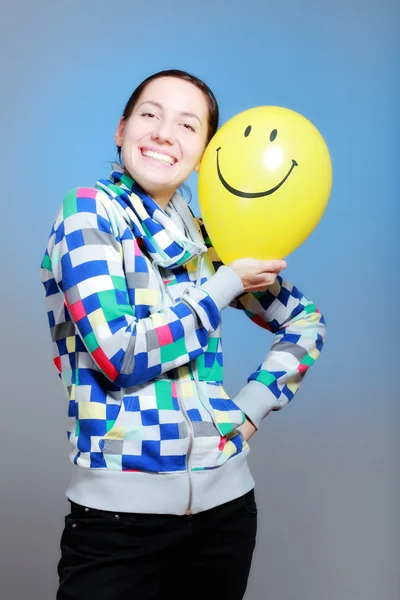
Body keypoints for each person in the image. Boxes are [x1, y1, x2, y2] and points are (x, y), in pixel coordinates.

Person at [41, 69, 326, 600]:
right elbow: (119, 353)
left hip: (226, 515)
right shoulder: (86, 212)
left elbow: (304, 323)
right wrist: (222, 287)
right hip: (118, 525)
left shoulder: (210, 235)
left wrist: (248, 413)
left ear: (204, 153)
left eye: (187, 125)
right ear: (121, 129)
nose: (164, 132)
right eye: (150, 115)